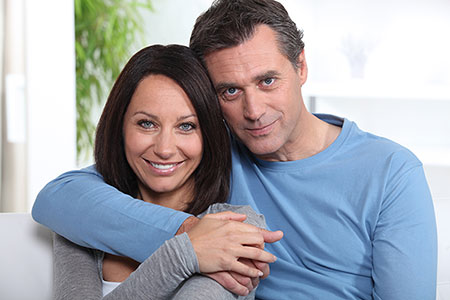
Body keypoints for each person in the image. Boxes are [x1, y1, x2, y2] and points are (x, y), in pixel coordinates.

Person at [33, 0, 437, 299]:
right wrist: (191, 237)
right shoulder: (202, 149)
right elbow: (60, 197)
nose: (254, 111)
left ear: (300, 67)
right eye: (230, 90)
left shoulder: (391, 171)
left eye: (267, 81)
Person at [50, 44, 282, 299]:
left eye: (186, 126)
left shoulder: (236, 228)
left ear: (209, 135)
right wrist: (185, 253)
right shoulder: (86, 218)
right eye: (146, 124)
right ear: (120, 128)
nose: (164, 149)